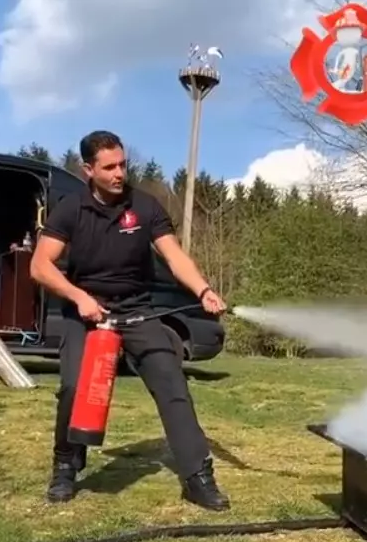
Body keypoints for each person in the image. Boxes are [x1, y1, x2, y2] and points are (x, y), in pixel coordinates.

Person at [29, 130, 231, 511]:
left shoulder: (146, 206)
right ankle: (65, 466)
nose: (119, 173)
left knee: (172, 382)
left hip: (137, 308)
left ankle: (197, 477)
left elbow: (175, 257)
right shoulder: (71, 209)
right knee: (73, 387)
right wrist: (79, 297)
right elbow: (40, 267)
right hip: (86, 309)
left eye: (123, 164)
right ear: (88, 169)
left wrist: (203, 290)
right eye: (109, 167)